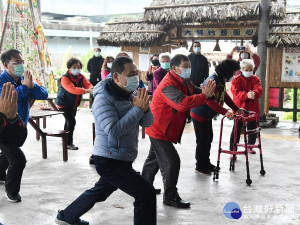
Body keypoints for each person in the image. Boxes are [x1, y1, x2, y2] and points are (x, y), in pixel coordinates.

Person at [55, 57, 156, 225]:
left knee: (100, 191)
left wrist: (144, 108)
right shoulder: (104, 98)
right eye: (131, 74)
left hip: (122, 156)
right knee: (145, 193)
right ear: (116, 76)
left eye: (136, 73)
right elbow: (113, 131)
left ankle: (67, 216)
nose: (135, 77)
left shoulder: (132, 93)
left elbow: (147, 122)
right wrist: (139, 109)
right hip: (109, 159)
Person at [142, 54, 216, 208]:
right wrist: (203, 96)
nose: (189, 69)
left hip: (165, 127)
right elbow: (182, 103)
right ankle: (170, 196)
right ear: (175, 68)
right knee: (171, 162)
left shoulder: (184, 80)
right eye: (185, 66)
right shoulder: (168, 84)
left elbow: (193, 90)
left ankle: (142, 188)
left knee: (153, 160)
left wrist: (206, 93)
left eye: (189, 66)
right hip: (159, 128)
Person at [0, 49, 48, 202]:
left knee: (8, 154)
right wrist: (25, 87)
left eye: (22, 62)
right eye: (17, 63)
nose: (21, 65)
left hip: (18, 127)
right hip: (3, 128)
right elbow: (5, 98)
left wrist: (32, 86)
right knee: (18, 160)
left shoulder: (23, 79)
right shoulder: (2, 80)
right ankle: (12, 192)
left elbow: (44, 95)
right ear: (6, 65)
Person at [190, 59, 245, 175]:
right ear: (228, 71)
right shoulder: (213, 80)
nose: (235, 75)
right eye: (234, 72)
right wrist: (225, 112)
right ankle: (200, 165)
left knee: (208, 138)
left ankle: (206, 163)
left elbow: (224, 95)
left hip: (207, 115)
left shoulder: (220, 79)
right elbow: (209, 101)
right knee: (202, 141)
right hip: (200, 114)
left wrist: (236, 108)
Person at [56, 58, 93, 150]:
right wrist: (87, 90)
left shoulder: (81, 76)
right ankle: (68, 143)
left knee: (68, 121)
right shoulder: (65, 78)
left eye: (79, 67)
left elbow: (87, 84)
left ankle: (64, 139)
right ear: (69, 68)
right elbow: (72, 89)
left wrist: (91, 88)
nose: (77, 69)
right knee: (72, 122)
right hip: (64, 104)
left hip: (73, 104)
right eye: (74, 67)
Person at [229, 59, 263, 159]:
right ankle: (233, 150)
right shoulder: (236, 80)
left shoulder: (255, 79)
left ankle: (250, 146)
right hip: (240, 108)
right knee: (236, 129)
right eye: (247, 69)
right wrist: (246, 95)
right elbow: (236, 93)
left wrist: (254, 93)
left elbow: (259, 89)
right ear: (242, 69)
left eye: (251, 69)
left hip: (253, 108)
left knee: (253, 129)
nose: (249, 71)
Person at [188, 41, 209, 123]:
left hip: (200, 83)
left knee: (197, 100)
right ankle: (188, 117)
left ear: (200, 47)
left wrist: (205, 83)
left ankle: (196, 115)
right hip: (189, 83)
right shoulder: (188, 57)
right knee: (189, 99)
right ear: (192, 47)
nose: (197, 47)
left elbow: (206, 73)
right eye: (195, 46)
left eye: (198, 46)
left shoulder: (204, 59)